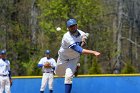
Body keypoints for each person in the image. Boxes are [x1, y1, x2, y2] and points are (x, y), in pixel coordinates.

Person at [55, 19, 101, 93]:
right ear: (68, 28)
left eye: (74, 25)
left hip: (74, 59)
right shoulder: (66, 37)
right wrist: (94, 52)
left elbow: (84, 35)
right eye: (71, 26)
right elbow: (80, 50)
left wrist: (84, 40)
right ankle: (76, 67)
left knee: (68, 77)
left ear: (77, 25)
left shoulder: (81, 33)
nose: (73, 27)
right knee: (58, 74)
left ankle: (75, 67)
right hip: (63, 58)